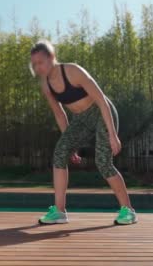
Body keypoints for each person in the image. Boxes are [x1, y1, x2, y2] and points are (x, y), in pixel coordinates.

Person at [29, 40, 137, 225]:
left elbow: (102, 100)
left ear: (52, 57)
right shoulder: (46, 85)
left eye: (41, 62)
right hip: (80, 120)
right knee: (60, 153)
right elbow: (60, 114)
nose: (38, 67)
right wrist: (69, 145)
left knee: (103, 161)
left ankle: (128, 210)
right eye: (34, 64)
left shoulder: (73, 71)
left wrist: (112, 134)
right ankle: (59, 212)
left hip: (101, 113)